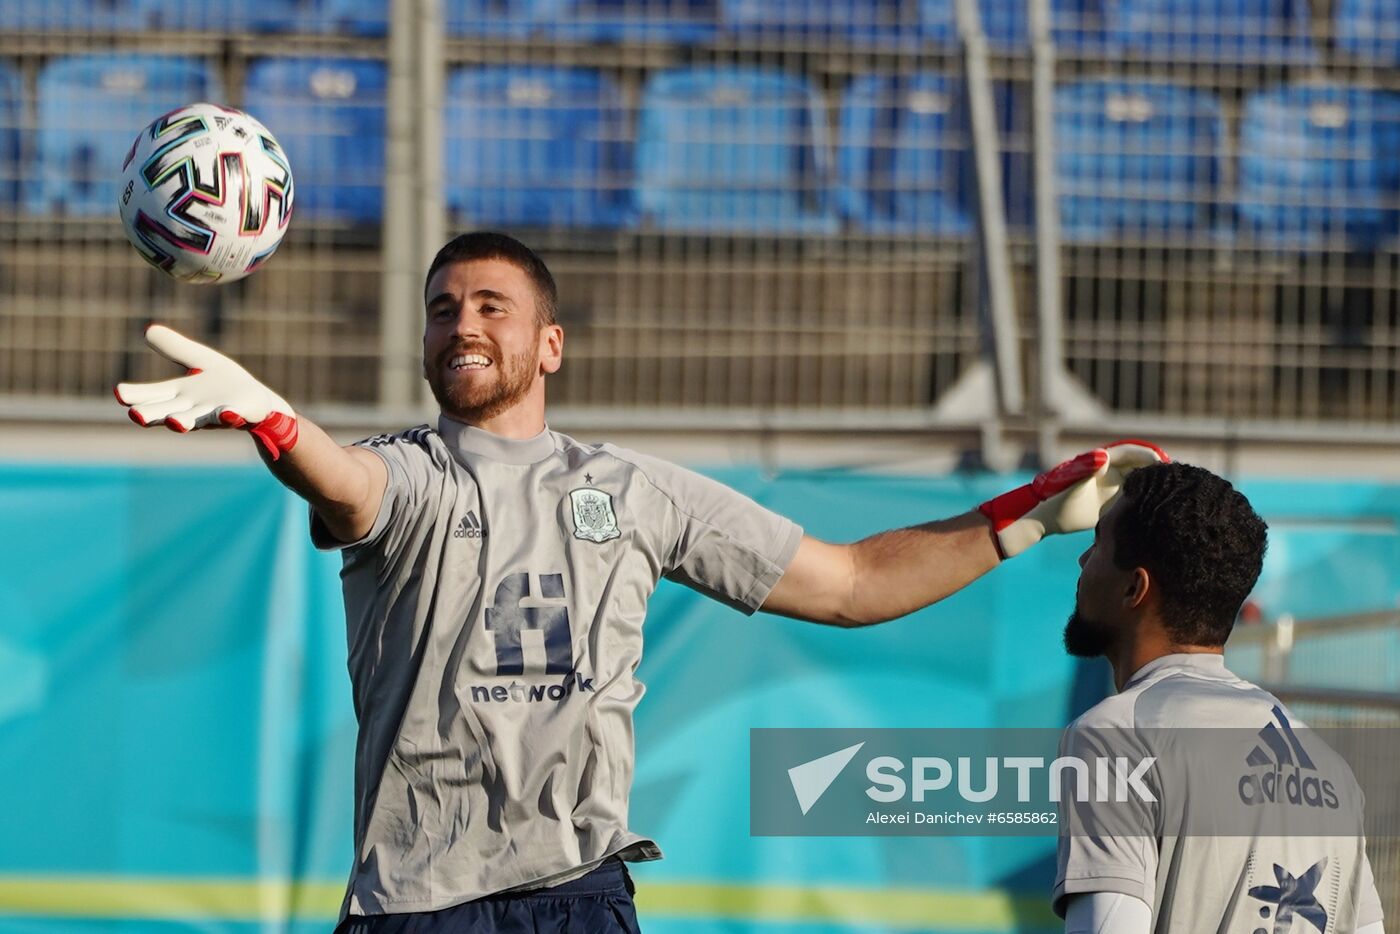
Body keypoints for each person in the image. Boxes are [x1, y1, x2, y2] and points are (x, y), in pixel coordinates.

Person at [115, 230, 1165, 932]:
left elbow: (847, 584)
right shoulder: (410, 473)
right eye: (441, 309)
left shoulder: (635, 491)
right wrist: (276, 422)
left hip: (575, 896)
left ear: (550, 343)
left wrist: (1024, 513)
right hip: (413, 902)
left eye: (490, 304)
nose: (462, 324)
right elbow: (343, 490)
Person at [1054, 461, 1386, 934]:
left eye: (1098, 544)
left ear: (1135, 587)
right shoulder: (1328, 763)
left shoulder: (1114, 738)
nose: (1083, 561)